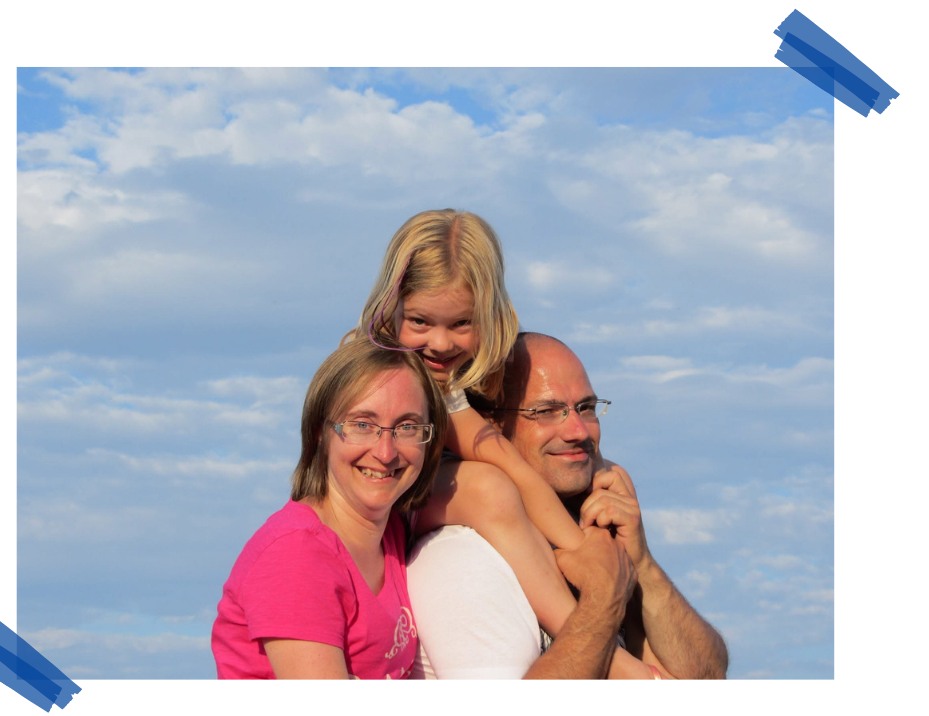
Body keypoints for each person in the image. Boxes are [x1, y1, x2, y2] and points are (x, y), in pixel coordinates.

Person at [350, 209, 652, 677]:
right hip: (373, 503)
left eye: (461, 324)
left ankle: (607, 627)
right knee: (486, 489)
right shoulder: (373, 363)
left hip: (406, 499)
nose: (441, 342)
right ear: (392, 306)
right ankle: (619, 666)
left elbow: (502, 455)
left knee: (515, 483)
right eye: (421, 321)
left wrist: (578, 548)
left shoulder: (447, 385)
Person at [408, 332, 729, 679]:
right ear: (488, 426)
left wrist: (641, 563)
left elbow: (706, 673)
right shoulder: (465, 556)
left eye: (586, 408)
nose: (578, 430)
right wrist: (604, 600)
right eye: (546, 411)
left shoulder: (590, 530)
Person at [211, 337, 448, 679]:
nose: (385, 452)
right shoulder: (296, 555)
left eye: (407, 427)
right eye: (362, 425)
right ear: (321, 432)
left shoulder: (393, 531)